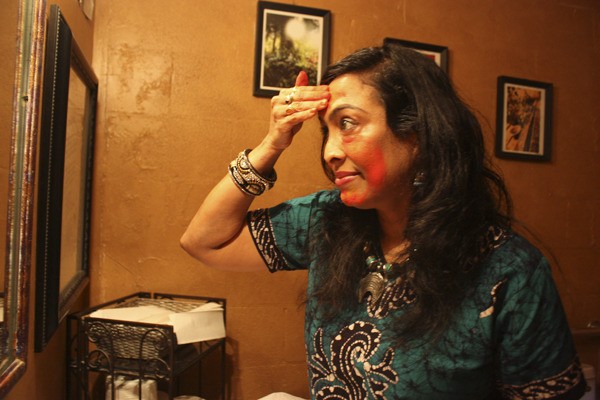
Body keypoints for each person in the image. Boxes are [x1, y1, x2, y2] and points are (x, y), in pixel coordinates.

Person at [181, 43, 586, 399]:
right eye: (326, 131)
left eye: (348, 123)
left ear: (417, 135)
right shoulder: (327, 220)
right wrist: (272, 144)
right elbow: (204, 242)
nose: (329, 153)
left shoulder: (509, 271)